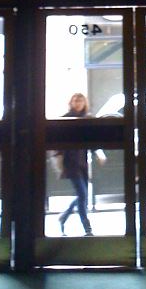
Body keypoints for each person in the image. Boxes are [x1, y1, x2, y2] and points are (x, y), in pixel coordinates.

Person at [57, 93, 105, 236]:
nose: (78, 103)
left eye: (80, 100)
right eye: (75, 100)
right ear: (70, 102)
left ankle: (64, 217)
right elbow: (59, 142)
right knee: (83, 195)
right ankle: (87, 228)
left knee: (82, 195)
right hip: (70, 162)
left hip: (82, 162)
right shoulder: (65, 119)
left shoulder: (87, 118)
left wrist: (99, 153)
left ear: (85, 103)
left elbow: (91, 140)